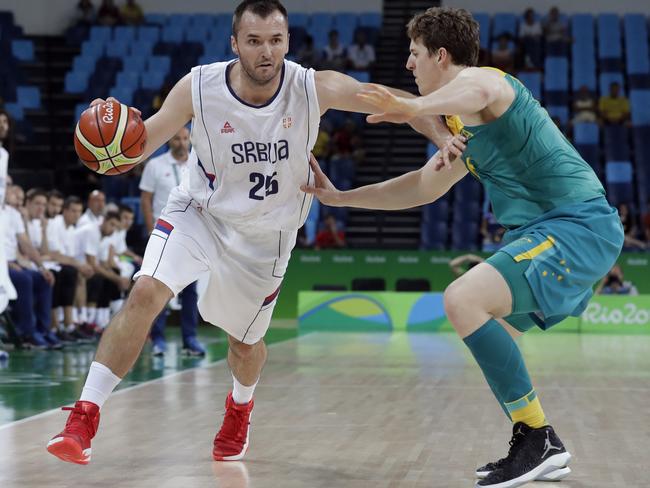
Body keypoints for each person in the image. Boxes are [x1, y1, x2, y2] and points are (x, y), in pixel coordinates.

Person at [46, 0, 459, 466]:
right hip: (200, 213)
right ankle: (83, 417)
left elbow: (393, 100)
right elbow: (138, 149)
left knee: (244, 345)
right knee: (146, 292)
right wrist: (111, 141)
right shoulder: (199, 86)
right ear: (235, 44)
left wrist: (443, 137)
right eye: (255, 41)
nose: (267, 52)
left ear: (288, 41)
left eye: (276, 40)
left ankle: (240, 407)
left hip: (268, 234)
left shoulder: (311, 86)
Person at [303, 7, 624, 487]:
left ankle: (539, 437)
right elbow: (420, 188)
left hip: (576, 226)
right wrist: (340, 198)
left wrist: (411, 109)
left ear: (441, 55)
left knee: (461, 299)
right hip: (543, 235)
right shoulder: (462, 128)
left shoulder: (487, 84)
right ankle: (534, 441)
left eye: (414, 55)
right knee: (498, 336)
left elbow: (479, 89)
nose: (409, 66)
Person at [139, 127, 205, 357]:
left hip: (191, 234)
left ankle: (190, 339)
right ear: (170, 140)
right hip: (163, 234)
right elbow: (146, 200)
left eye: (185, 138)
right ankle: (157, 339)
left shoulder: (199, 165)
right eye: (177, 138)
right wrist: (150, 230)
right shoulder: (155, 165)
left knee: (190, 291)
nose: (181, 142)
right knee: (158, 289)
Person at [46, 196, 95, 342]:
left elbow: (69, 257)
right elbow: (54, 254)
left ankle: (75, 322)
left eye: (79, 211)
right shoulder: (55, 224)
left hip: (60, 264)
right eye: (73, 211)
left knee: (80, 274)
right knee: (70, 272)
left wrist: (81, 266)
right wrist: (79, 265)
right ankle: (58, 325)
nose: (76, 214)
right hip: (49, 262)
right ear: (65, 210)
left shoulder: (72, 229)